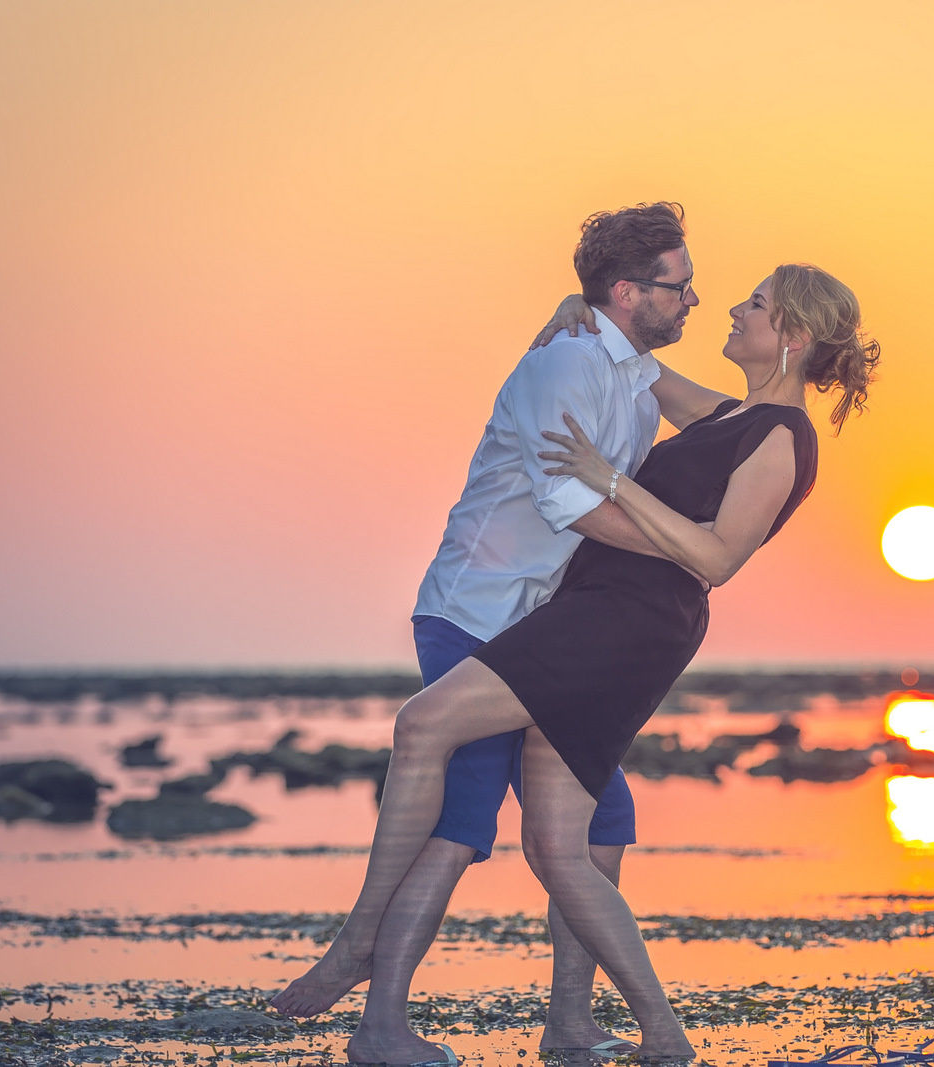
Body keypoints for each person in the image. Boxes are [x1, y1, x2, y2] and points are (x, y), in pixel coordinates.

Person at [285, 260, 879, 1064]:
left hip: (625, 624)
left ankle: (360, 938)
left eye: (758, 304)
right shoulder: (729, 413)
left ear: (796, 336)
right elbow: (632, 359)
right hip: (598, 608)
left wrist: (613, 484)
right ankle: (652, 1036)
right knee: (557, 848)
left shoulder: (783, 438)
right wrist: (582, 305)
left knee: (424, 724)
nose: (735, 310)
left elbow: (719, 555)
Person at [271, 202, 703, 1061]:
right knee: (462, 822)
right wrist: (685, 547)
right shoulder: (564, 366)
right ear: (627, 291)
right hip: (476, 611)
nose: (692, 300)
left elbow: (743, 422)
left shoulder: (634, 377)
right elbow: (568, 504)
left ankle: (570, 1022)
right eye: (678, 286)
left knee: (602, 822)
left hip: (547, 633)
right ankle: (379, 1020)